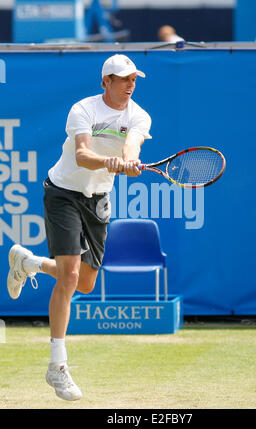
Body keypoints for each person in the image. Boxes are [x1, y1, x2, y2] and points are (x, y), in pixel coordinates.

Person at [6, 54, 152, 401]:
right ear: (106, 82)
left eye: (133, 79)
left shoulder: (139, 116)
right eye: (123, 79)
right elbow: (83, 155)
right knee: (70, 276)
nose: (130, 85)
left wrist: (128, 160)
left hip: (98, 198)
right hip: (63, 193)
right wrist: (111, 161)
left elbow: (132, 145)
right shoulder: (82, 109)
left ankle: (29, 263)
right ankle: (57, 366)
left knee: (84, 283)